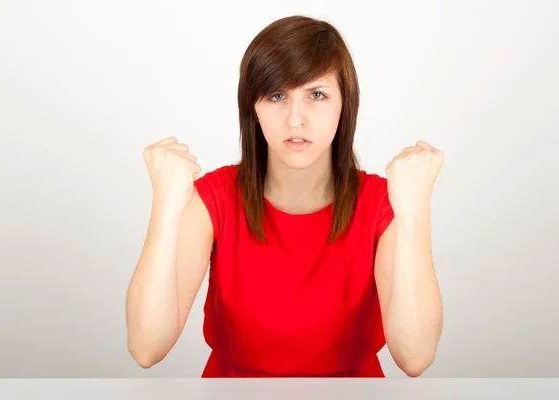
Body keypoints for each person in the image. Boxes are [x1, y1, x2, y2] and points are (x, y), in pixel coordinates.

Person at [125, 15, 444, 378]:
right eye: (277, 95)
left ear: (345, 105)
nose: (295, 119)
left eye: (317, 95)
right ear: (253, 108)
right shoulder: (216, 199)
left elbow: (415, 357)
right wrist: (165, 204)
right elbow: (146, 346)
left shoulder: (379, 204)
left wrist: (414, 211)